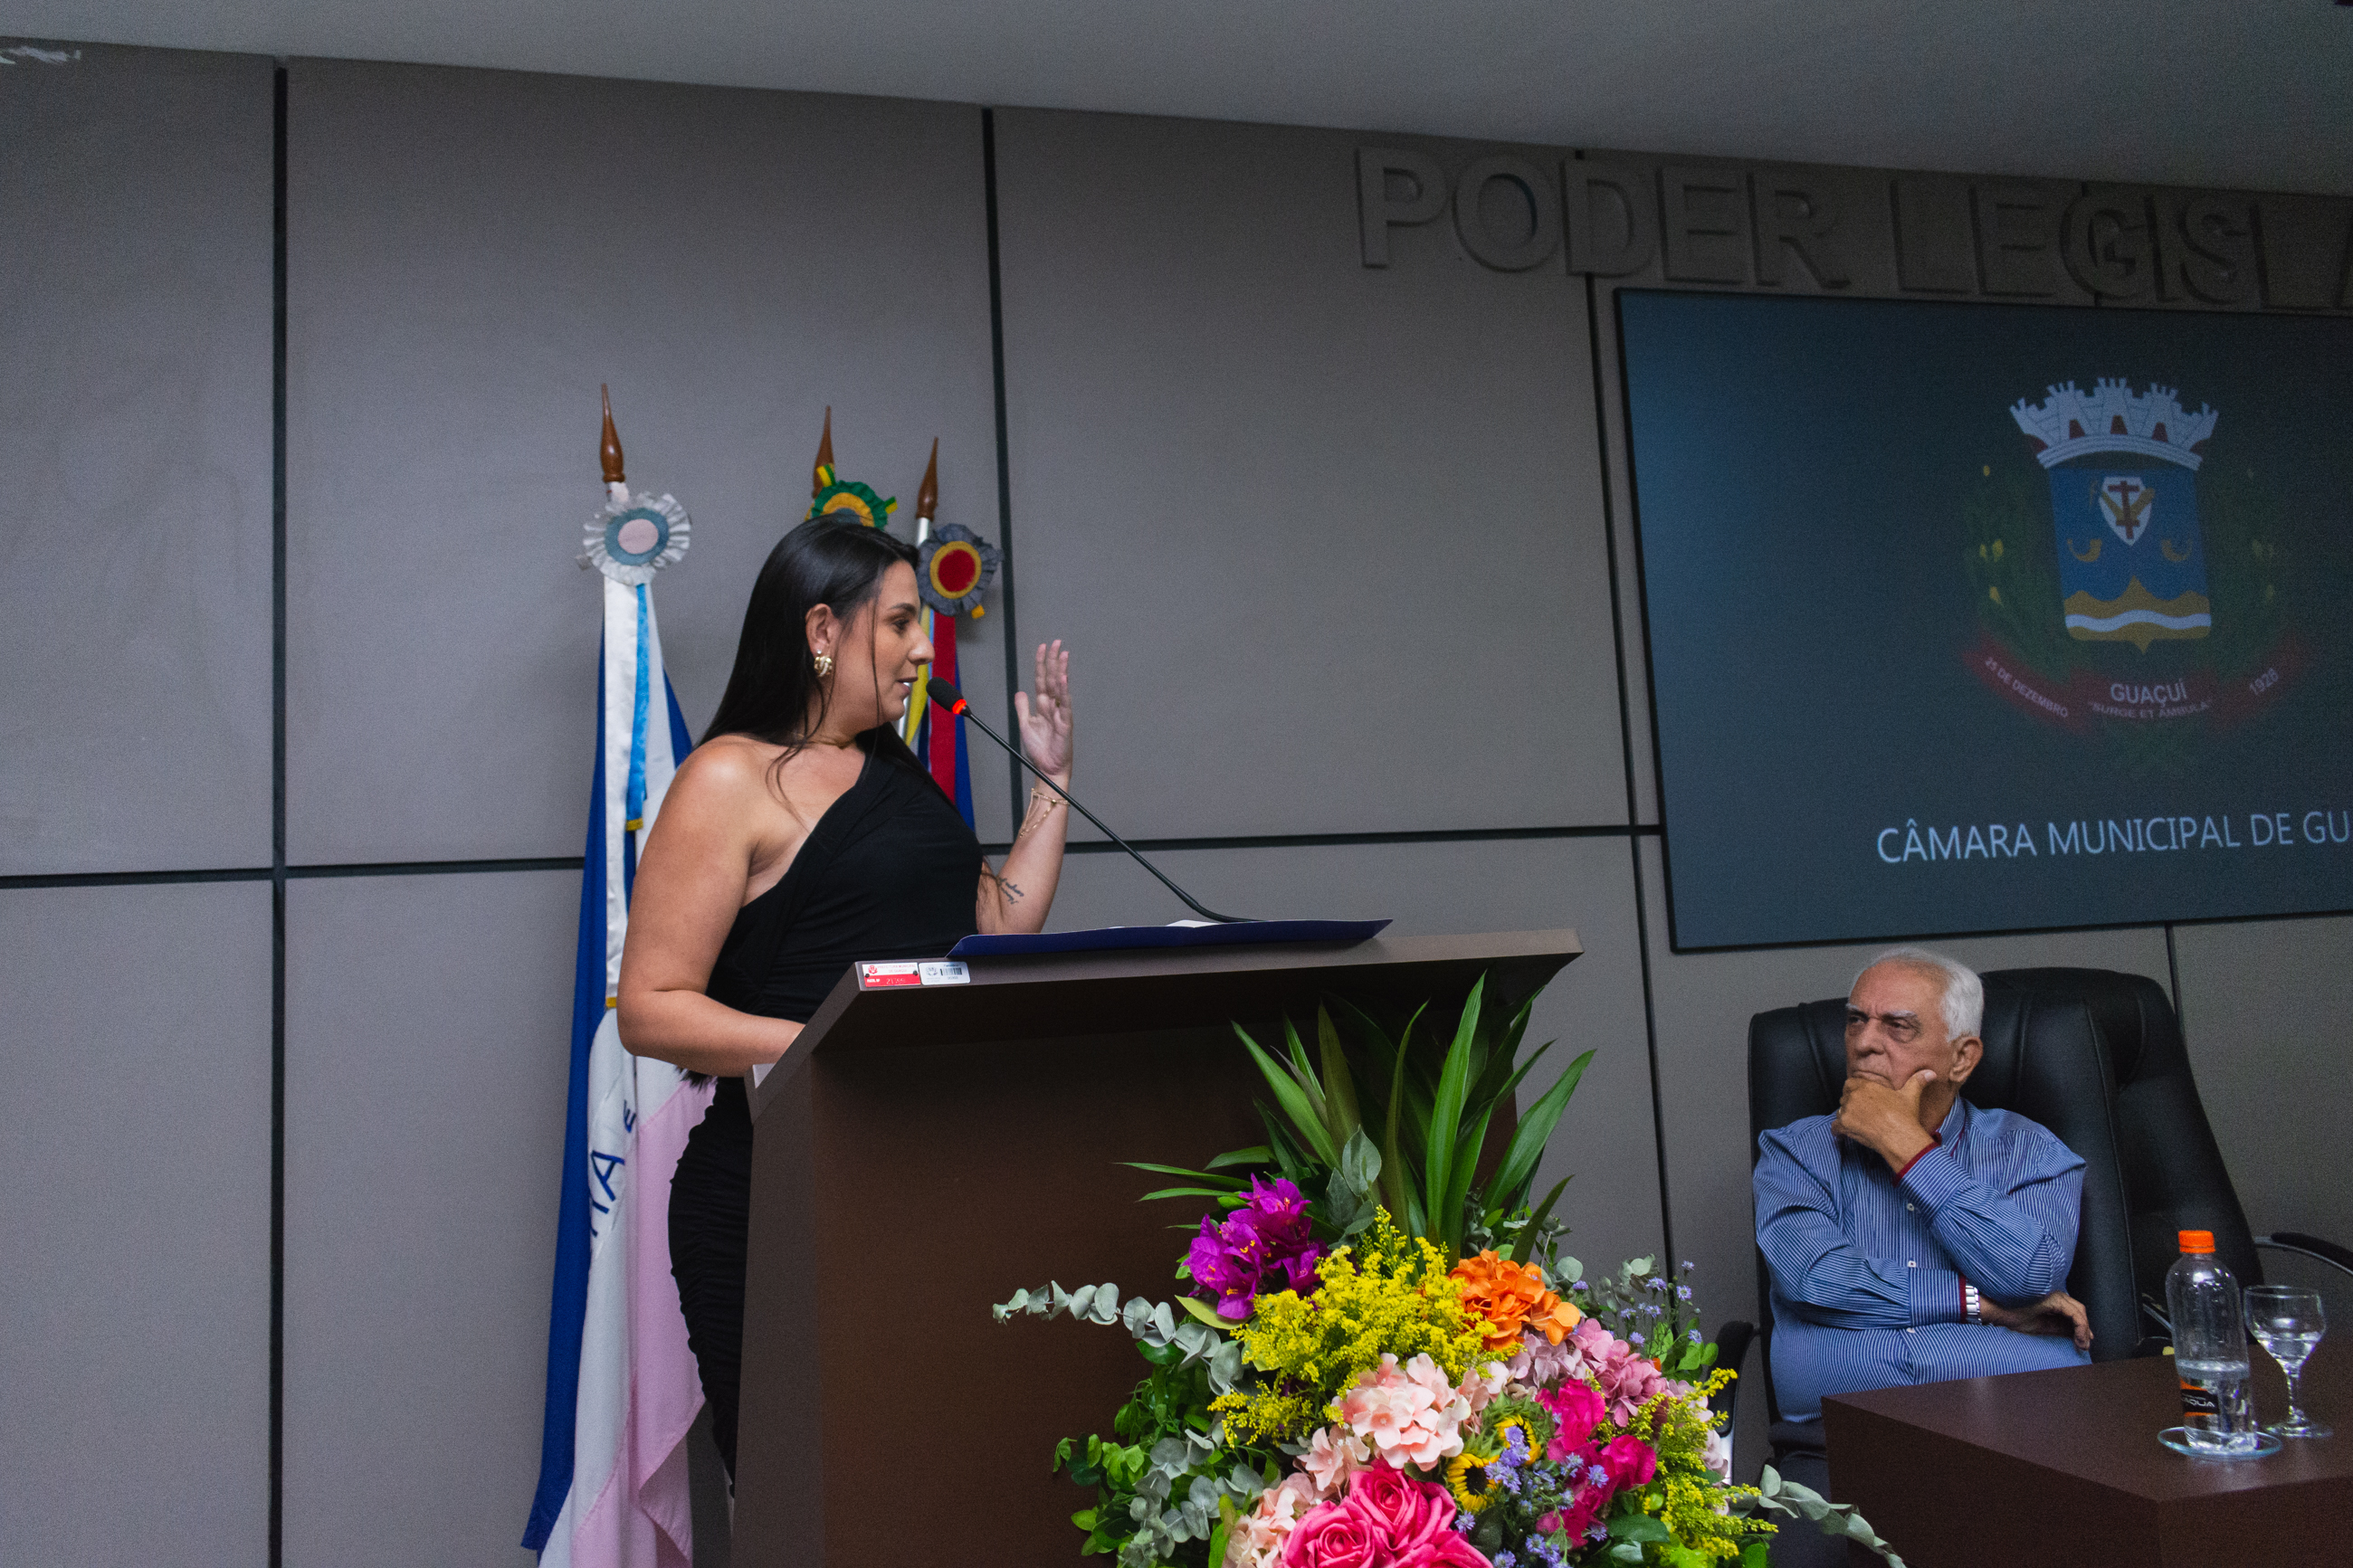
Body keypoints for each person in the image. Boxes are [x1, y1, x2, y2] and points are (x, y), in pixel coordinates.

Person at [615, 515, 1074, 1479]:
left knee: (932, 1483)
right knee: (807, 1497)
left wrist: (1051, 783)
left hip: (919, 1180)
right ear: (823, 631)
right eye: (900, 622)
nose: (923, 648)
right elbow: (650, 1005)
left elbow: (998, 925)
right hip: (774, 1191)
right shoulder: (727, 775)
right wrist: (832, 1035)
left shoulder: (896, 776)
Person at [1752, 947, 2092, 1565]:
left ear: (1962, 1057)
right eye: (1856, 1020)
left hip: (2023, 1439)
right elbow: (1816, 1278)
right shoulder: (1796, 1152)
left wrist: (1906, 1147)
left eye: (1897, 1026)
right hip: (1837, 1450)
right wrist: (1977, 1303)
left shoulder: (2030, 1151)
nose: (1865, 1043)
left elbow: (2027, 1272)